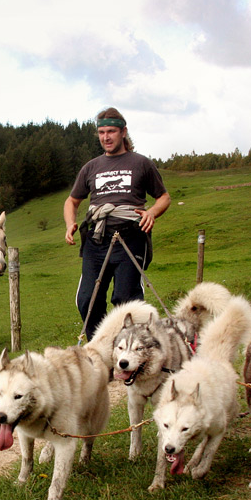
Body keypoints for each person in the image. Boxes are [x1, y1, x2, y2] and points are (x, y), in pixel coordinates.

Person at [64, 107, 171, 342]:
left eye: (111, 131)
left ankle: (131, 348)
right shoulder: (91, 167)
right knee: (87, 300)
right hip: (97, 239)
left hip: (130, 237)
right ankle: (100, 347)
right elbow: (72, 201)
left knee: (125, 299)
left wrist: (151, 212)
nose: (106, 137)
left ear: (123, 132)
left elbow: (164, 197)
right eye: (101, 132)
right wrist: (70, 223)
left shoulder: (141, 163)